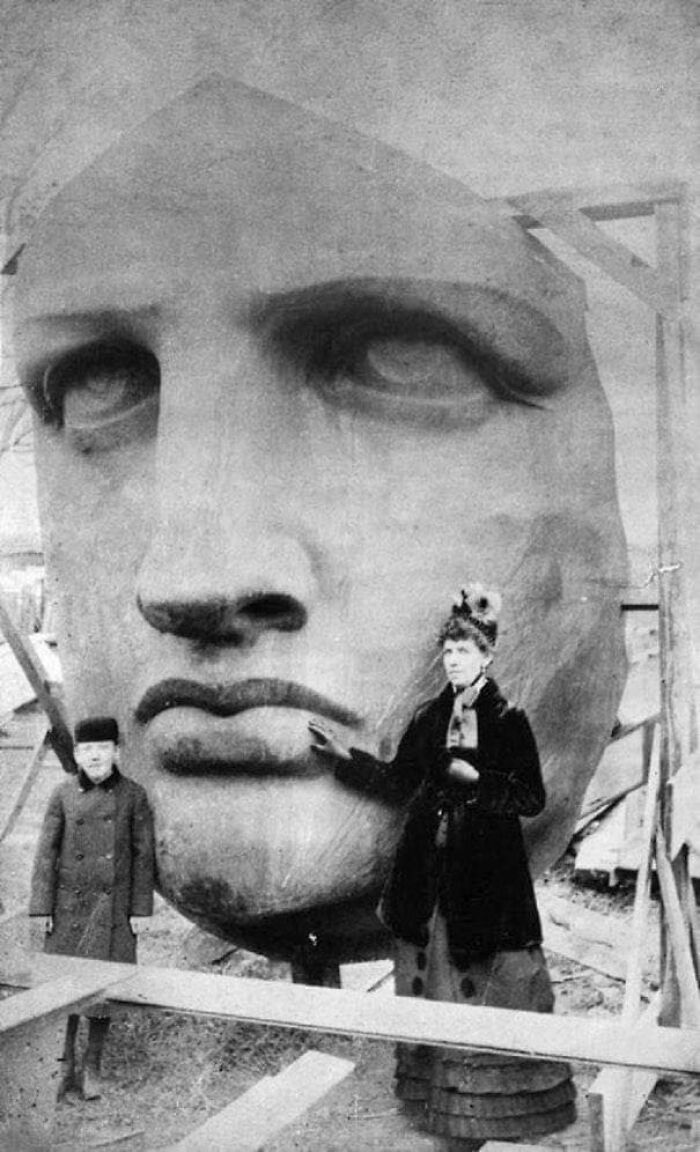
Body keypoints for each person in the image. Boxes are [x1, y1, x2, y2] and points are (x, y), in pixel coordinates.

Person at [12, 72, 627, 968]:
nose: (189, 582)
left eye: (403, 356)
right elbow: (398, 773)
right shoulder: (88, 803)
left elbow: (499, 786)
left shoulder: (492, 727)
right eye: (98, 383)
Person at [310, 584, 575, 1146]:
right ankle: (438, 1102)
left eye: (465, 651)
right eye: (449, 651)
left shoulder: (508, 718)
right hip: (428, 873)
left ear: (487, 657)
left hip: (486, 878)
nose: (454, 659)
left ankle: (489, 1112)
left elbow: (531, 797)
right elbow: (400, 779)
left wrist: (478, 783)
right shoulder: (430, 716)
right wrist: (343, 761)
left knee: (481, 977)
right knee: (430, 980)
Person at [29, 717, 155, 1101]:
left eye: (103, 748)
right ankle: (63, 1064)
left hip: (113, 910)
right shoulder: (62, 794)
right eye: (87, 750)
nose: (95, 756)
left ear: (116, 752)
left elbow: (143, 856)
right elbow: (45, 853)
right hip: (69, 907)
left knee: (103, 989)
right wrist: (41, 906)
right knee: (63, 987)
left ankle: (93, 1065)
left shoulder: (134, 796)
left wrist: (139, 910)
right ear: (78, 755)